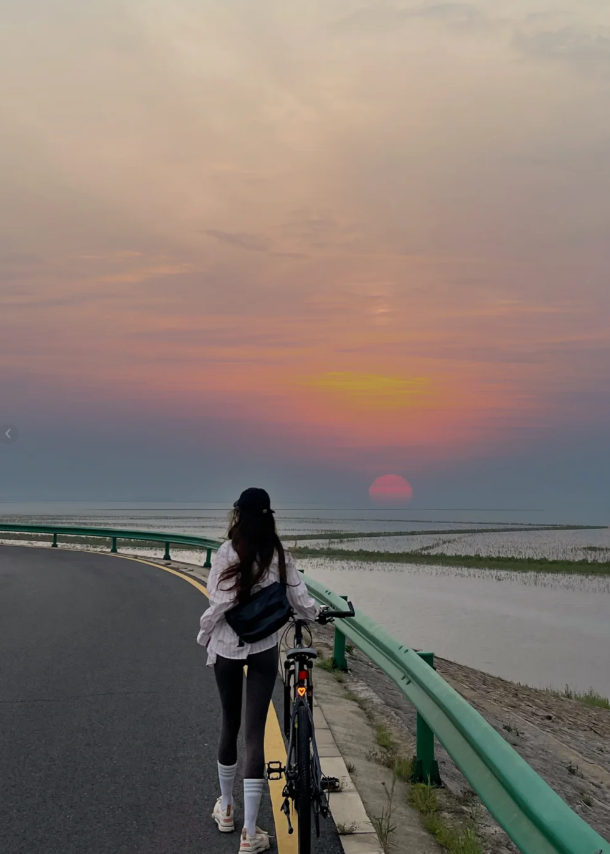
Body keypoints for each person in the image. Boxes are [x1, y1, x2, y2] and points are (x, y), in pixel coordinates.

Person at [197, 487, 318, 853]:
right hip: (264, 647)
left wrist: (206, 630)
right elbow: (300, 599)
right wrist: (316, 614)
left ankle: (226, 808)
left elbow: (218, 601)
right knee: (255, 734)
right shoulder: (279, 554)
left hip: (227, 646)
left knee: (229, 724)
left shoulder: (227, 552)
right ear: (269, 516)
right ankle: (250, 833)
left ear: (238, 515)